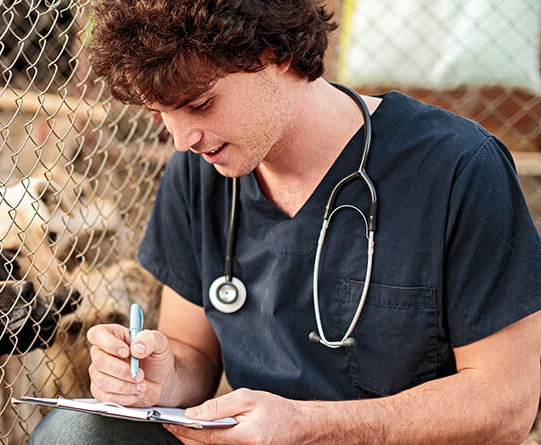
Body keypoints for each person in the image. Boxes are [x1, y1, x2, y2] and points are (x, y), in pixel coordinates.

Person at [29, 0, 541, 443]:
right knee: (74, 435)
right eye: (160, 114)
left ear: (277, 54)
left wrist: (308, 425)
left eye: (200, 104)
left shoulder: (457, 168)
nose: (183, 139)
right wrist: (158, 379)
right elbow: (192, 354)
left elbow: (506, 404)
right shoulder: (199, 172)